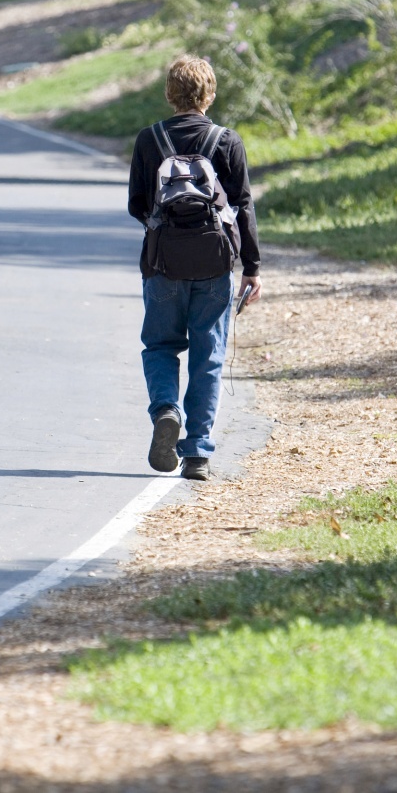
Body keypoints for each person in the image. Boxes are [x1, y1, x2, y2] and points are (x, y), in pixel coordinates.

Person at [128, 54, 262, 481]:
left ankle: (167, 410)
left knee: (161, 346)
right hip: (214, 264)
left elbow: (136, 206)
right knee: (209, 355)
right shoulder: (227, 140)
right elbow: (242, 206)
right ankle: (198, 455)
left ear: (169, 94)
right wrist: (252, 267)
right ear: (210, 94)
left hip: (163, 263)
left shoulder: (150, 140)